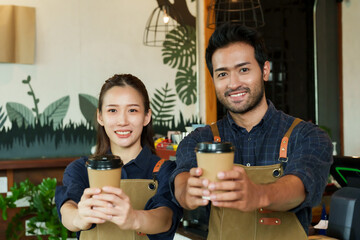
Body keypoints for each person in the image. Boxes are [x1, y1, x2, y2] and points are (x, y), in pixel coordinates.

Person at [171, 23, 333, 239]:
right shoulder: (201, 139)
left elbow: (301, 186)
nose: (233, 83)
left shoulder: (307, 136)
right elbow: (181, 179)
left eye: (244, 70)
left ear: (265, 70)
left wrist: (259, 194)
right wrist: (186, 194)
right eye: (222, 74)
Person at [55, 74, 182, 240]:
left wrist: (134, 218)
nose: (122, 121)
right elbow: (67, 210)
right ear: (100, 116)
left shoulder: (165, 170)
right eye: (112, 110)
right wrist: (80, 217)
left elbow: (166, 218)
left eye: (132, 110)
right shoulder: (81, 168)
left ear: (146, 117)